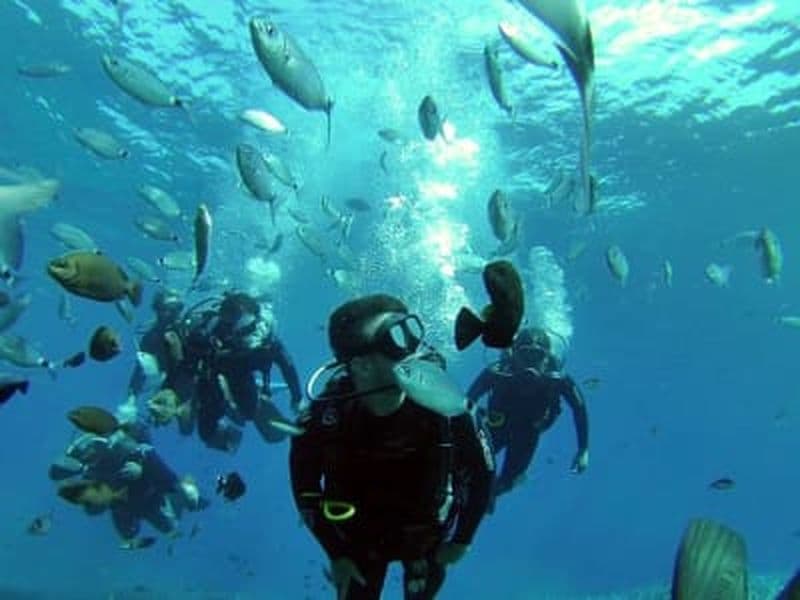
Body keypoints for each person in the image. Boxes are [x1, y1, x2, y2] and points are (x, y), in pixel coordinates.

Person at [290, 294, 493, 600]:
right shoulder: (323, 420)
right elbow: (305, 488)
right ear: (362, 366)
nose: (415, 349)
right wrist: (336, 553)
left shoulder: (447, 406)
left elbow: (482, 473)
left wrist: (463, 539)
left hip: (426, 542)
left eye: (412, 331)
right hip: (359, 544)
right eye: (396, 339)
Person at [467, 326, 589, 507]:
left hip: (528, 432)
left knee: (509, 481)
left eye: (537, 355)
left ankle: (486, 498)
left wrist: (583, 450)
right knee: (467, 465)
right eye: (525, 355)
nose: (530, 363)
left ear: (546, 357)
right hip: (496, 426)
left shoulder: (558, 379)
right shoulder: (498, 371)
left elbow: (579, 409)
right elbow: (467, 402)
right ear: (514, 354)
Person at [167, 291, 303, 451]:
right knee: (206, 432)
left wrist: (297, 397)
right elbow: (185, 366)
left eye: (250, 328)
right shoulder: (208, 334)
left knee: (249, 412)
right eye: (241, 331)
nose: (250, 337)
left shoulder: (266, 339)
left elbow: (287, 364)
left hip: (239, 371)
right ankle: (223, 405)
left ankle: (254, 393)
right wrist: (175, 394)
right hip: (212, 371)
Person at [49, 420, 205, 547]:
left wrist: (141, 468)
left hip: (147, 495)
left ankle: (183, 495)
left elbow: (165, 475)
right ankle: (179, 499)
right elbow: (55, 472)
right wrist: (78, 465)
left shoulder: (132, 448)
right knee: (129, 534)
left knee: (168, 525)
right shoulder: (83, 452)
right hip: (122, 505)